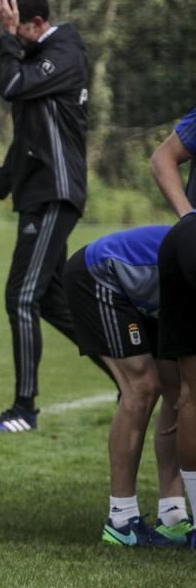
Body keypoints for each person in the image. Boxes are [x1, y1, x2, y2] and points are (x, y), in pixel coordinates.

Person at [0, 0, 95, 433]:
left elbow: (10, 85)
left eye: (15, 24)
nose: (9, 33)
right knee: (51, 302)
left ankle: (24, 410)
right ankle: (134, 372)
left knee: (21, 296)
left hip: (55, 193)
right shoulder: (39, 55)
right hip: (37, 190)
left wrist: (6, 38)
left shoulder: (63, 52)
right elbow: (29, 136)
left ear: (37, 24)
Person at [63, 226, 191, 547]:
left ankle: (173, 515)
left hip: (154, 296)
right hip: (101, 275)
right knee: (142, 387)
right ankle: (121, 521)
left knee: (178, 395)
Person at [151, 106, 196, 549]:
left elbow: (161, 157)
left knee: (188, 395)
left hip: (181, 243)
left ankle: (185, 515)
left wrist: (187, 221)